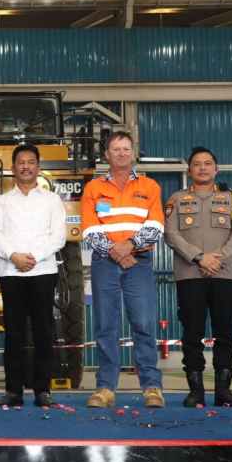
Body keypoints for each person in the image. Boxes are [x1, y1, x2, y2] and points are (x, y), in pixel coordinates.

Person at [80, 131, 165, 409]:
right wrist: (115, 252)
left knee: (143, 323)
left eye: (126, 148)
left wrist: (128, 247)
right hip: (105, 263)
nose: (121, 153)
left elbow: (156, 226)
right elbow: (90, 228)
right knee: (106, 325)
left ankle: (151, 387)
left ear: (133, 153)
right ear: (107, 154)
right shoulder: (93, 188)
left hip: (138, 263)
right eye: (115, 149)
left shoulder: (150, 186)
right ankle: (105, 388)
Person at [164, 147, 232, 407]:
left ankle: (223, 391)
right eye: (197, 164)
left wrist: (217, 258)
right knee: (192, 333)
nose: (203, 167)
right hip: (189, 275)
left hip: (224, 275)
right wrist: (199, 257)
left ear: (216, 169)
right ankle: (196, 391)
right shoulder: (176, 199)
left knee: (225, 333)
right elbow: (171, 234)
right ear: (189, 170)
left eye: (208, 163)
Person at [0, 143, 67, 409]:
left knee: (44, 331)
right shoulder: (2, 201)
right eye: (21, 162)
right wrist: (14, 256)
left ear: (38, 167)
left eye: (31, 162)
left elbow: (58, 236)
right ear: (13, 168)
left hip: (43, 271)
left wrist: (32, 257)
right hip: (11, 273)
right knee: (14, 333)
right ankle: (13, 391)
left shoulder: (52, 200)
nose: (26, 166)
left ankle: (43, 390)